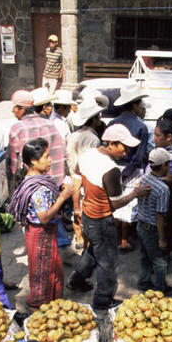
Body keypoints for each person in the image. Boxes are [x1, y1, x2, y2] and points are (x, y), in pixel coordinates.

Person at [68, 124, 150, 311]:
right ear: (111, 143)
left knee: (94, 252)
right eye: (124, 146)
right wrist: (136, 193)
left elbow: (78, 172)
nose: (127, 151)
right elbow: (116, 203)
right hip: (102, 220)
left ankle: (76, 280)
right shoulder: (111, 169)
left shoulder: (88, 154)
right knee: (108, 263)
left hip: (88, 215)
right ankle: (103, 301)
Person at [8, 139, 75, 309]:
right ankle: (39, 308)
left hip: (39, 233)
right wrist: (62, 197)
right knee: (42, 273)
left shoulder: (35, 180)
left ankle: (51, 303)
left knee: (49, 270)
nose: (50, 160)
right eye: (46, 157)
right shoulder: (38, 188)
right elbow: (44, 217)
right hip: (41, 234)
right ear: (33, 161)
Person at [109, 83, 151, 250]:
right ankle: (124, 241)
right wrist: (126, 174)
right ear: (135, 104)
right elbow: (139, 156)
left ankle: (117, 237)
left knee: (115, 202)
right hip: (131, 170)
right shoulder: (141, 126)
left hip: (113, 168)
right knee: (128, 204)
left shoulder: (113, 122)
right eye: (139, 102)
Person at [66, 96, 105, 249]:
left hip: (73, 178)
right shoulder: (93, 140)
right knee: (86, 212)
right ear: (94, 119)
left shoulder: (74, 136)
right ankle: (87, 242)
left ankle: (78, 238)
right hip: (86, 182)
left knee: (76, 211)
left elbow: (70, 161)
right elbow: (91, 165)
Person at [137, 147, 172, 295]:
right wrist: (162, 239)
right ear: (164, 165)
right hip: (152, 228)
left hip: (141, 224)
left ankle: (143, 282)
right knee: (160, 262)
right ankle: (160, 289)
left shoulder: (145, 177)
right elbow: (160, 216)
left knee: (144, 257)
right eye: (169, 164)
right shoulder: (163, 189)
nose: (170, 167)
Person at [8, 90, 66, 185]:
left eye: (14, 108)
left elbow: (14, 165)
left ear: (21, 108)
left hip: (32, 187)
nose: (13, 111)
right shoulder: (51, 125)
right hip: (55, 185)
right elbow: (63, 154)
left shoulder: (17, 129)